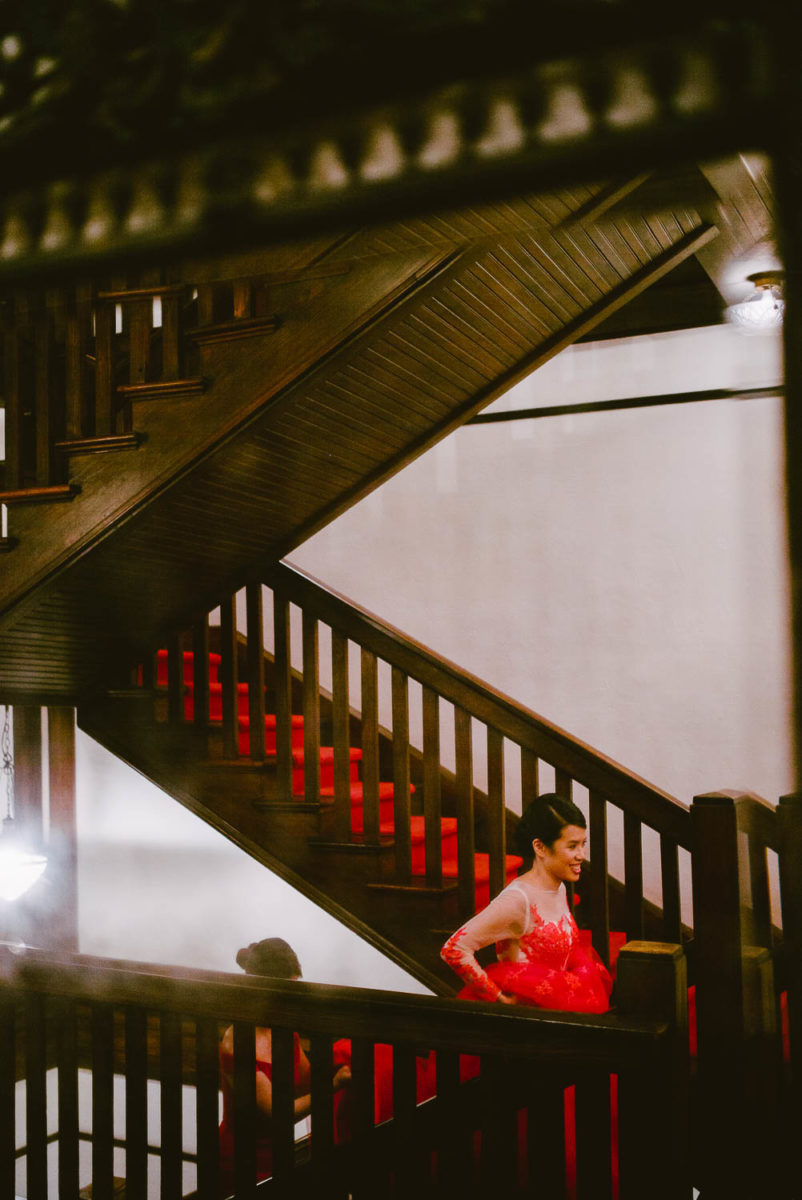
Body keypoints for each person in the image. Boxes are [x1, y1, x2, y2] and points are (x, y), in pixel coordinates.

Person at [440, 793, 612, 1012]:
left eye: (582, 844)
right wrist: (497, 997)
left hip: (559, 1005)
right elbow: (454, 949)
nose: (581, 855)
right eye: (572, 846)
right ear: (540, 847)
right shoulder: (518, 900)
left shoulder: (559, 887)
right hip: (529, 1016)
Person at [218, 937, 351, 1194]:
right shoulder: (236, 1042)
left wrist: (345, 1055)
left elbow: (307, 1081)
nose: (293, 999)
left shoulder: (283, 1031)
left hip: (280, 1155)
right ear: (264, 988)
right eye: (287, 991)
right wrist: (335, 1084)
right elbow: (280, 1113)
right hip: (239, 1161)